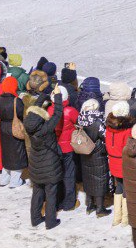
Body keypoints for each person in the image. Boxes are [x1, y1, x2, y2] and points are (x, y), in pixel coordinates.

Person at [25, 87, 66, 229]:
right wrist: (58, 96)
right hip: (49, 166)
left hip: (36, 165)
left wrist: (44, 94)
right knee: (51, 193)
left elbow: (35, 108)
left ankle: (35, 219)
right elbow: (58, 114)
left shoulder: (29, 124)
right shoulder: (46, 129)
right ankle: (50, 222)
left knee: (37, 192)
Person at [76, 98, 112, 216]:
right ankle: (100, 208)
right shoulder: (97, 122)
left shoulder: (81, 118)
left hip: (85, 153)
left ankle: (90, 205)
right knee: (99, 180)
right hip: (97, 155)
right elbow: (105, 136)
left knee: (88, 178)